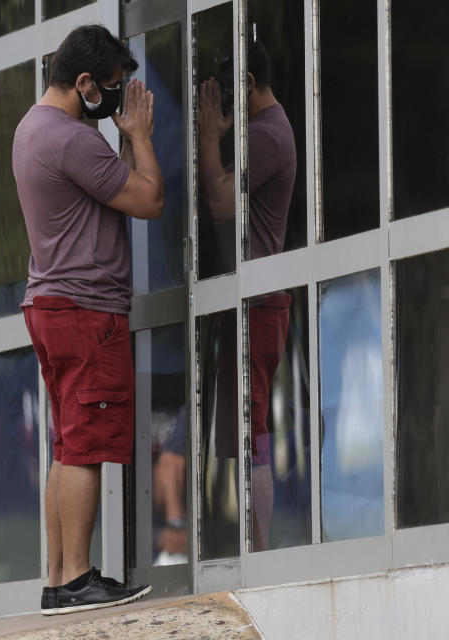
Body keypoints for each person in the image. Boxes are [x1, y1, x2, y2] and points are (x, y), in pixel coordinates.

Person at [12, 24, 164, 615]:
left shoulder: (33, 128)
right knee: (85, 445)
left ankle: (57, 578)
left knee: (67, 442)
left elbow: (109, 192)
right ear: (82, 83)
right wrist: (141, 135)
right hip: (85, 308)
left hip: (51, 303)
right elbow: (148, 201)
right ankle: (77, 577)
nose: (118, 98)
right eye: (111, 87)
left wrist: (120, 141)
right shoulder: (73, 140)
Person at [198, 40, 297, 551]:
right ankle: (255, 546)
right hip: (255, 300)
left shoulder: (264, 135)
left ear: (249, 86)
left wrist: (208, 136)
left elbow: (218, 202)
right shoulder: (269, 129)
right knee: (248, 432)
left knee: (253, 432)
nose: (223, 108)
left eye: (228, 95)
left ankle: (259, 552)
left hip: (256, 304)